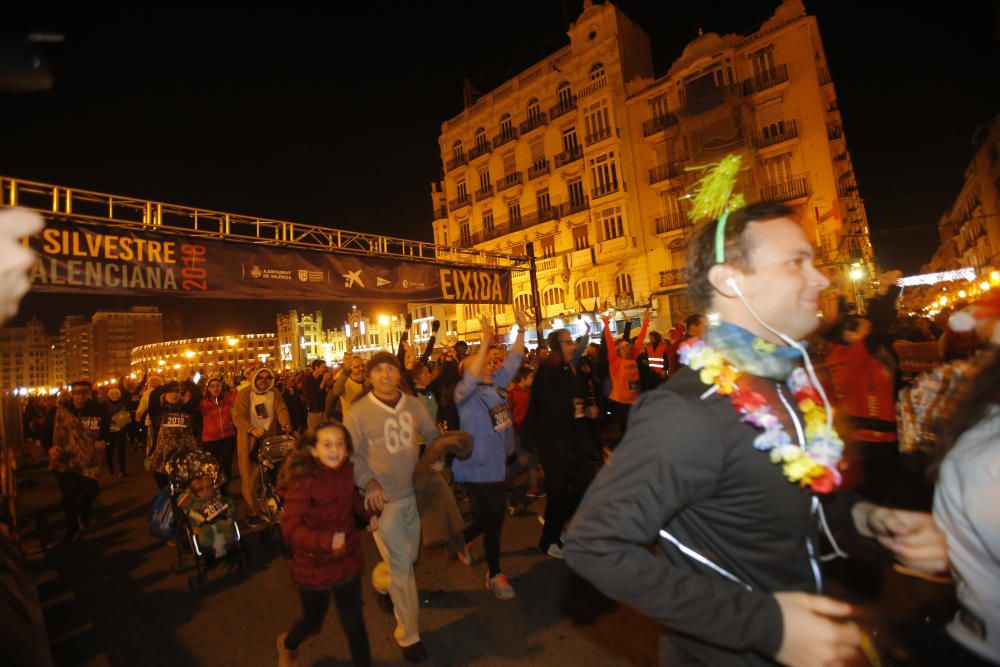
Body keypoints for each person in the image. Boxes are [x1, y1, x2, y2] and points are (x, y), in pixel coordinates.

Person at [563, 202, 947, 667]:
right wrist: (768, 625)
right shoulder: (687, 412)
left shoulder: (791, 384)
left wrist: (869, 521)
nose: (821, 279)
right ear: (730, 282)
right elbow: (594, 545)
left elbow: (801, 501)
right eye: (794, 263)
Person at [344, 352, 439, 663]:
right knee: (402, 570)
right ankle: (408, 635)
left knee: (407, 559)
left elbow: (433, 435)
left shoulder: (412, 404)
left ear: (399, 374)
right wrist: (368, 482)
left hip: (414, 493)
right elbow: (351, 456)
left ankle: (379, 582)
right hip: (383, 502)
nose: (385, 374)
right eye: (378, 370)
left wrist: (438, 457)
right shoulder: (357, 412)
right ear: (369, 376)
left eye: (390, 369)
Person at [277, 421, 379, 667]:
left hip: (346, 562)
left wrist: (370, 514)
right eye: (327, 444)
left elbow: (352, 500)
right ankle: (288, 644)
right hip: (313, 567)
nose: (335, 450)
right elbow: (291, 528)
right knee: (313, 621)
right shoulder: (303, 481)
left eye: (340, 444)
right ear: (314, 450)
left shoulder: (346, 471)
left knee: (355, 624)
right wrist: (326, 541)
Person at [452, 311, 526, 599]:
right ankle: (494, 574)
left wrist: (521, 328)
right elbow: (470, 377)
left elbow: (515, 358)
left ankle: (464, 539)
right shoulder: (463, 393)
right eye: (480, 363)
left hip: (499, 466)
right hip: (475, 470)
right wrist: (483, 342)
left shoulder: (496, 386)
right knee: (494, 518)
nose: (489, 366)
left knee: (490, 517)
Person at [523, 328, 597, 558]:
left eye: (573, 342)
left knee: (587, 483)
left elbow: (573, 400)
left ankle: (557, 520)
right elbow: (544, 407)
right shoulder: (550, 367)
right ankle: (549, 540)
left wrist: (586, 409)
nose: (573, 346)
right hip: (552, 445)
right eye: (568, 342)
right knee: (558, 493)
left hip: (572, 442)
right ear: (557, 346)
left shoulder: (566, 369)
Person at [41, 380, 109, 543]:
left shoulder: (98, 410)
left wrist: (104, 441)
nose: (81, 396)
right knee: (69, 496)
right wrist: (49, 448)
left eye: (85, 392)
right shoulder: (58, 411)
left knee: (91, 490)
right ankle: (72, 527)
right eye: (77, 393)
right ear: (71, 394)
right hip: (66, 460)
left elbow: (107, 430)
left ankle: (84, 510)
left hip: (89, 460)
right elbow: (45, 433)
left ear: (89, 394)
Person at [232, 367, 291, 527]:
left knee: (270, 476)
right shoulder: (244, 394)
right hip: (249, 440)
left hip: (269, 439)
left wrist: (285, 423)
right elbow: (238, 416)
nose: (263, 381)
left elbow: (281, 408)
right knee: (250, 477)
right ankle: (251, 512)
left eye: (267, 378)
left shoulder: (275, 393)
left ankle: (270, 506)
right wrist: (251, 429)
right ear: (254, 379)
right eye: (260, 378)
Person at [601, 309, 649, 441]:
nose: (627, 348)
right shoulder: (615, 361)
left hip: (634, 400)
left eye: (628, 346)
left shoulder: (633, 357)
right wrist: (606, 323)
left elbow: (639, 341)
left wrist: (645, 322)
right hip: (620, 402)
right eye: (623, 347)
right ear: (618, 350)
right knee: (625, 429)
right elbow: (609, 342)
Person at [147, 379, 203, 490]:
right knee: (164, 488)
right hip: (162, 456)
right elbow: (154, 395)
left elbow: (197, 395)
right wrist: (169, 384)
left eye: (177, 392)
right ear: (164, 395)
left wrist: (185, 382)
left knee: (184, 487)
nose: (174, 394)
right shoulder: (158, 410)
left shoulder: (186, 409)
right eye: (170, 392)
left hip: (185, 454)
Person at [176, 470, 237, 559]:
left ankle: (229, 548)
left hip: (220, 520)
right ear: (196, 492)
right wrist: (193, 527)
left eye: (209, 488)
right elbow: (189, 514)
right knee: (205, 536)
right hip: (203, 525)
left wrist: (230, 517)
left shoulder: (217, 497)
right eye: (202, 490)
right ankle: (209, 554)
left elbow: (230, 504)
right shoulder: (193, 502)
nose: (206, 491)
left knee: (227, 530)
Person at [198, 377, 238, 494]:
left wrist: (233, 387)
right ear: (207, 388)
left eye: (218, 385)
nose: (216, 388)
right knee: (213, 468)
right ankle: (215, 490)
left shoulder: (226, 399)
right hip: (210, 440)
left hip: (227, 438)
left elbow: (237, 399)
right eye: (212, 386)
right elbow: (191, 400)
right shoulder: (203, 402)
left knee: (226, 466)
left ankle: (225, 490)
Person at [103, 386, 131, 477]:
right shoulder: (104, 405)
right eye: (112, 394)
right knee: (109, 451)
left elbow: (128, 415)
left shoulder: (123, 404)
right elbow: (102, 417)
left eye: (116, 394)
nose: (114, 395)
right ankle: (110, 469)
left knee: (121, 450)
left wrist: (121, 418)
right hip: (108, 431)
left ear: (119, 395)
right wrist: (110, 419)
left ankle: (122, 469)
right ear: (109, 395)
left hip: (121, 430)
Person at [303, 359, 330, 432]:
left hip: (323, 409)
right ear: (316, 367)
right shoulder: (308, 379)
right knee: (314, 432)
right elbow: (315, 394)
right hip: (314, 411)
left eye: (325, 367)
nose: (324, 369)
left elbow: (325, 393)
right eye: (322, 367)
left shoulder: (321, 377)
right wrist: (324, 381)